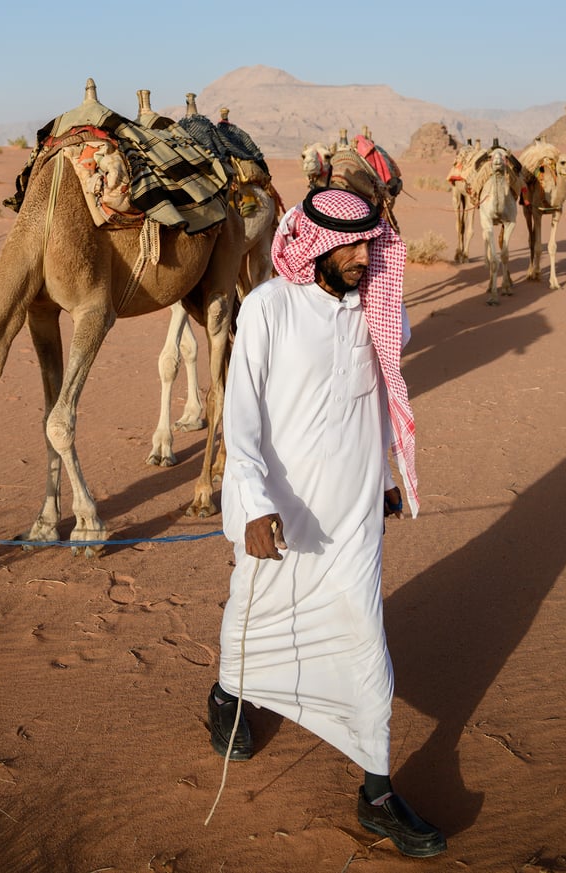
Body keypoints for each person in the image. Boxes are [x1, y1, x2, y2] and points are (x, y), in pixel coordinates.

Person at [208, 187, 446, 858]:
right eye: (348, 245)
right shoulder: (268, 311)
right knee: (254, 613)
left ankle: (376, 792)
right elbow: (242, 421)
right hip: (280, 518)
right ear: (310, 244)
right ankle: (229, 694)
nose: (363, 256)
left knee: (366, 643)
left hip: (352, 519)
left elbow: (373, 402)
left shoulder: (375, 310)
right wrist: (253, 503)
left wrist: (382, 485)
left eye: (371, 243)